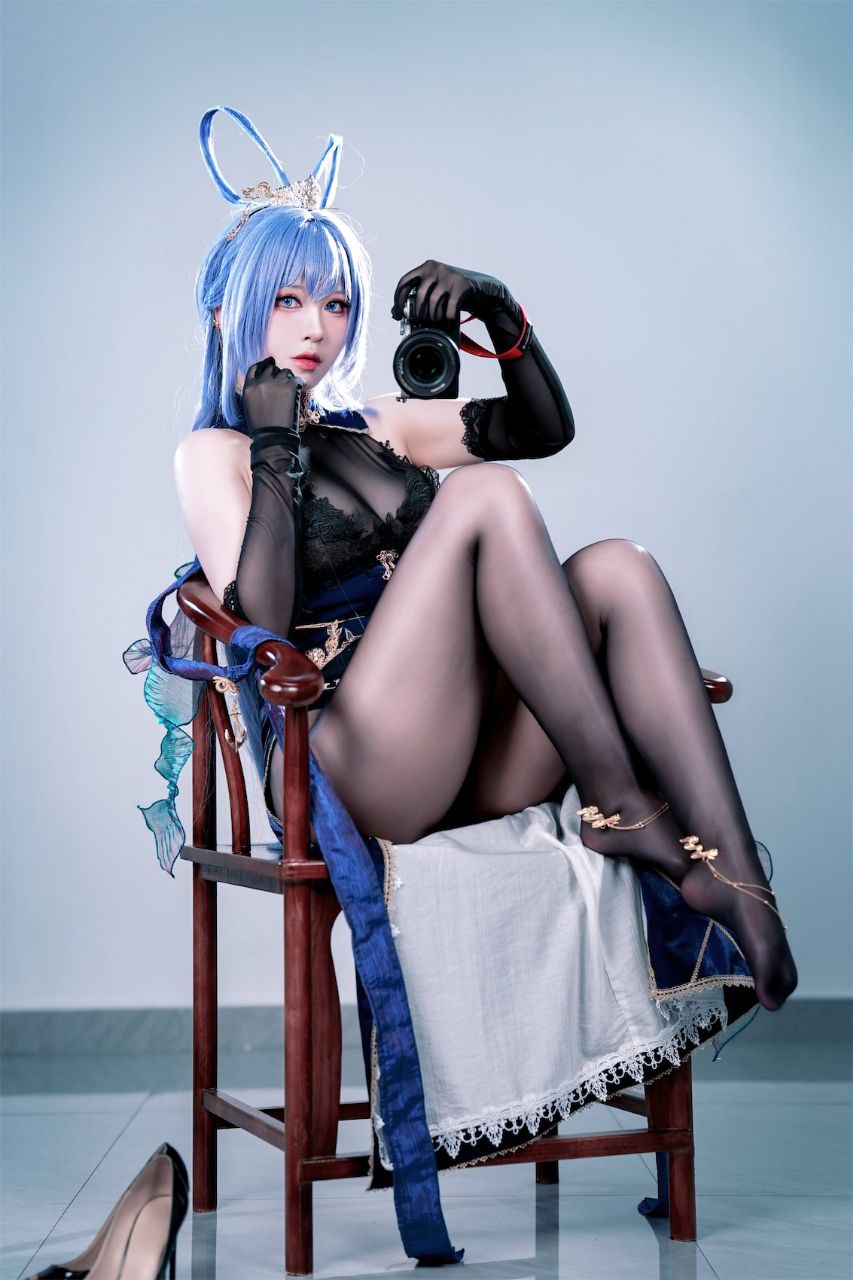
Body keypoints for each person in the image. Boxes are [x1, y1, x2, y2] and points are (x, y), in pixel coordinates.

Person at [126, 104, 797, 1264]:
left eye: (337, 302)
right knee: (485, 501)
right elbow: (265, 624)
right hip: (350, 759)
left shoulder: (380, 425)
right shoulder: (214, 453)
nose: (317, 327)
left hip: (463, 747)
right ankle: (621, 801)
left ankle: (736, 879)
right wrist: (278, 445)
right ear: (235, 308)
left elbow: (542, 428)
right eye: (289, 300)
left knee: (617, 567)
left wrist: (498, 314)